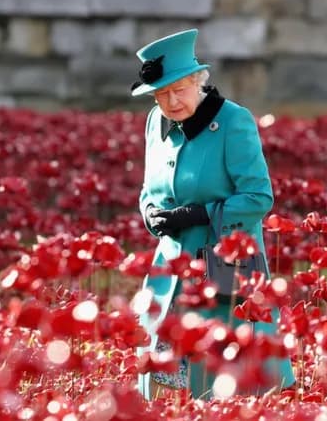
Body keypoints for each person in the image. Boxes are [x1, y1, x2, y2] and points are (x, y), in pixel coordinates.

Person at [131, 29, 295, 400]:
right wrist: (149, 212)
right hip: (170, 269)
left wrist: (201, 214)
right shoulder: (155, 122)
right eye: (161, 95)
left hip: (223, 268)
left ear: (198, 82)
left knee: (221, 384)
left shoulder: (233, 121)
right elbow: (148, 188)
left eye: (179, 90)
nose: (171, 102)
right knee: (159, 385)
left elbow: (258, 197)